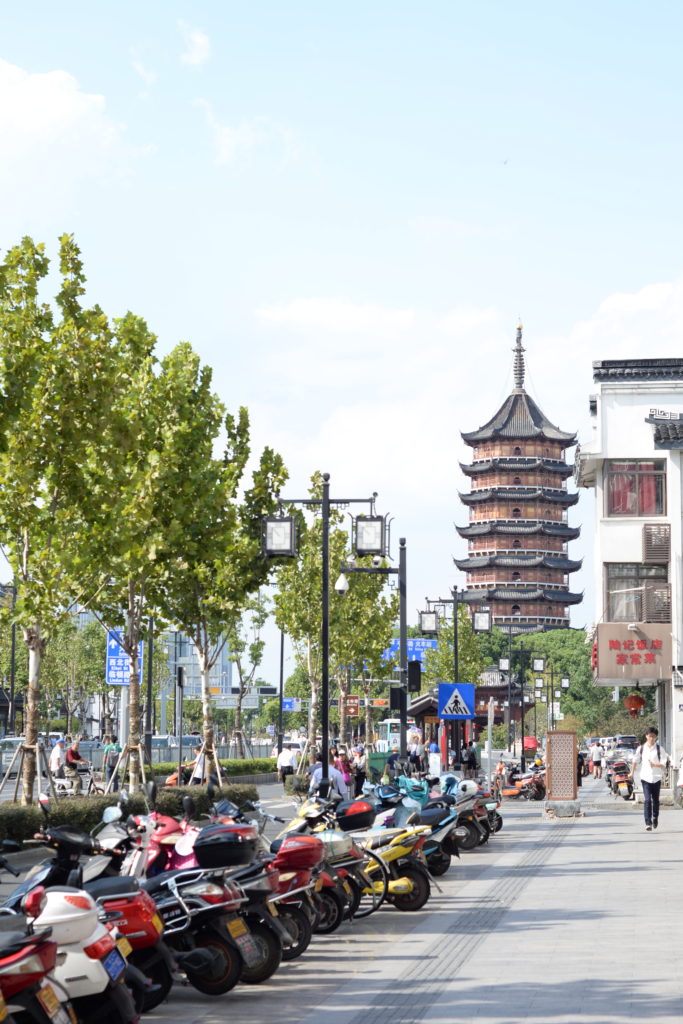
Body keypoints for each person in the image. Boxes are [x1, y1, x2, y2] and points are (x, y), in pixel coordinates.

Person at [630, 727, 670, 831]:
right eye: (649, 736)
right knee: (647, 800)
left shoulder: (659, 749)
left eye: (653, 736)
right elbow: (635, 760)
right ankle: (648, 822)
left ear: (656, 737)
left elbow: (664, 763)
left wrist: (655, 765)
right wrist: (632, 772)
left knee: (655, 800)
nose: (651, 738)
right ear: (646, 736)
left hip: (656, 778)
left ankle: (655, 817)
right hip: (645, 778)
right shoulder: (641, 748)